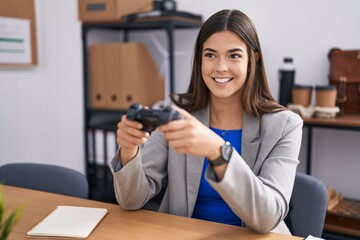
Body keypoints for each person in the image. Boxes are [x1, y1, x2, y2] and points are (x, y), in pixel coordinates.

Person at [109, 9, 303, 235]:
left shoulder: (285, 126)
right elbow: (131, 200)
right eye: (210, 55)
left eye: (234, 55)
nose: (220, 67)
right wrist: (129, 148)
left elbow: (267, 217)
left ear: (253, 59)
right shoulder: (178, 114)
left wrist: (217, 151)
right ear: (200, 58)